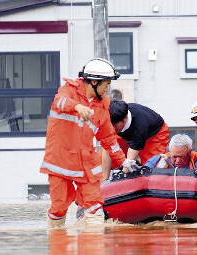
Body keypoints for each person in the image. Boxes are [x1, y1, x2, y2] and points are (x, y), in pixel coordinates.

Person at [40, 58, 133, 228]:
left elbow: (109, 140)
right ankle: (57, 244)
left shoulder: (102, 107)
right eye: (106, 83)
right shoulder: (68, 90)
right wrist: (77, 107)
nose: (107, 88)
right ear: (94, 82)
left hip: (86, 163)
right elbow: (59, 102)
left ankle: (93, 250)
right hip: (62, 161)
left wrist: (123, 161)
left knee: (95, 205)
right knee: (59, 207)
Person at [101, 100, 169, 178]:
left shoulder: (140, 125)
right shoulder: (113, 121)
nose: (112, 129)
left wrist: (122, 177)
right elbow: (107, 149)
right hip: (127, 134)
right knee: (102, 159)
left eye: (114, 126)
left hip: (154, 136)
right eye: (110, 125)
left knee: (152, 169)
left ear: (125, 118)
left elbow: (130, 157)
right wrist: (104, 179)